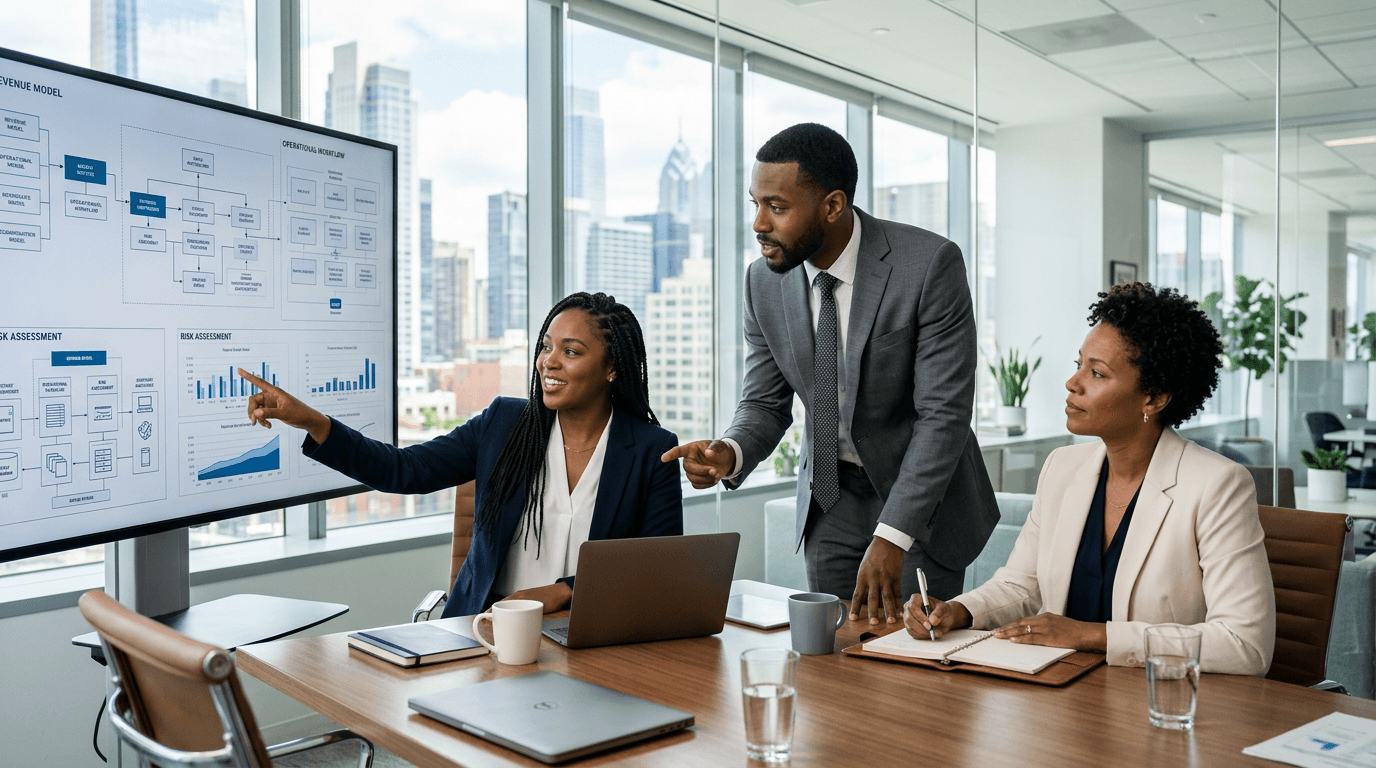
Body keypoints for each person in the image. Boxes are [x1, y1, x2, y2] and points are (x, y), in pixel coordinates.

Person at [662, 122, 999, 624]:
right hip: (829, 502)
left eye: (776, 207)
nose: (758, 223)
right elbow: (763, 403)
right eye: (755, 203)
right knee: (829, 665)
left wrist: (893, 534)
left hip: (919, 506)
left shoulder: (928, 265)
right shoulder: (763, 282)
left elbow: (943, 416)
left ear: (833, 206)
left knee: (918, 667)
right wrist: (728, 453)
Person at [238, 292, 683, 618]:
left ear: (612, 368)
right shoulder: (504, 424)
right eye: (546, 346)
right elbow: (403, 471)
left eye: (571, 352)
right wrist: (314, 422)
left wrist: (566, 591)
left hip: (591, 637)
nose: (549, 361)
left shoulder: (650, 450)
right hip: (487, 629)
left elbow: (657, 572)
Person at [905, 283, 1275, 675]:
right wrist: (958, 611)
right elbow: (1021, 585)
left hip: (1155, 705)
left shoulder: (1217, 485)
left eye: (1097, 373)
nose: (1073, 383)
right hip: (1059, 697)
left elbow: (1244, 644)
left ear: (1153, 398)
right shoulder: (1062, 468)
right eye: (1078, 364)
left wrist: (1090, 636)